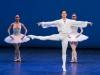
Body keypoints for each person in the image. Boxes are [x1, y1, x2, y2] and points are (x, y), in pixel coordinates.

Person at [28, 10, 92, 71]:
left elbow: (79, 22)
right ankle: (33, 36)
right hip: (60, 35)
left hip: (65, 37)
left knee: (64, 52)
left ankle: (64, 66)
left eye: (65, 13)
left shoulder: (70, 21)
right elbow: (50, 23)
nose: (64, 14)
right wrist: (42, 23)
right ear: (61, 14)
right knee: (46, 38)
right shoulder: (58, 21)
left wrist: (87, 22)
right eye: (62, 13)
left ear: (66, 14)